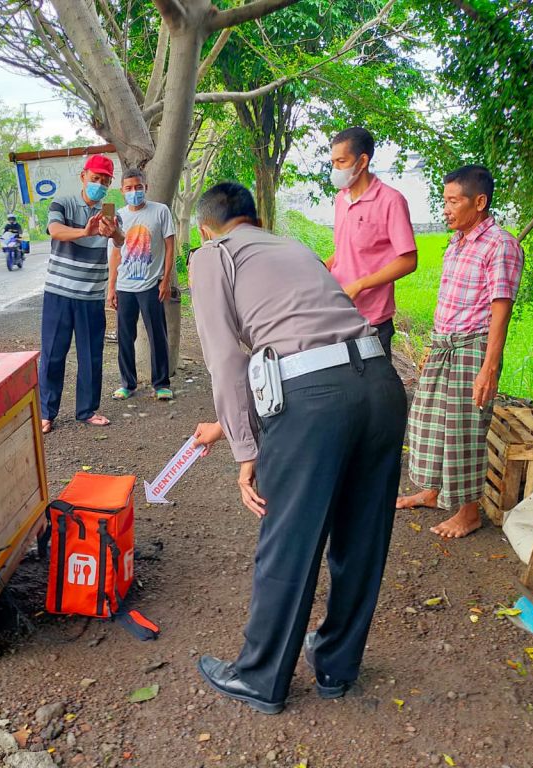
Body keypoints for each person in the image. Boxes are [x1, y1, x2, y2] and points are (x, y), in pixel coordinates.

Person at [189, 182, 406, 715]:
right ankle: (335, 666)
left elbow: (225, 360)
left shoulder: (213, 255)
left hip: (315, 401)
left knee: (289, 538)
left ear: (204, 227)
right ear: (256, 218)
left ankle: (260, 678)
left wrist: (245, 451)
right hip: (380, 382)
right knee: (362, 536)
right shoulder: (294, 248)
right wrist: (230, 427)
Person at [396, 165, 524, 538]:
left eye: (454, 201)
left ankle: (469, 512)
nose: (446, 208)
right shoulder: (458, 241)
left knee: (465, 429)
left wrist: (490, 366)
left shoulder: (500, 244)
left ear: (479, 202)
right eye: (445, 200)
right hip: (444, 344)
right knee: (428, 421)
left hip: (473, 348)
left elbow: (501, 308)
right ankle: (434, 491)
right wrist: (432, 344)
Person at [39, 153, 125, 434]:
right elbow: (54, 231)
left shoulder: (111, 212)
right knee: (53, 353)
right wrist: (84, 231)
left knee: (91, 355)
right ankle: (46, 412)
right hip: (59, 293)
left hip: (90, 295)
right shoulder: (62, 202)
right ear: (83, 177)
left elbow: (121, 240)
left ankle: (86, 410)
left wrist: (113, 234)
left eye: (104, 180)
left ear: (109, 183)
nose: (98, 184)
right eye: (95, 178)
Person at [326, 127, 417, 360]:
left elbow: (408, 260)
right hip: (339, 311)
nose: (336, 168)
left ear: (362, 160)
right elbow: (345, 251)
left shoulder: (391, 201)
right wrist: (321, 267)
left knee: (376, 389)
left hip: (372, 318)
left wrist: (360, 285)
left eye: (342, 161)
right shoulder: (340, 199)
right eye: (333, 162)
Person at [107, 168, 176, 402]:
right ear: (122, 190)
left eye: (138, 187)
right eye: (129, 188)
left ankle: (161, 383)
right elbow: (115, 254)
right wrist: (111, 287)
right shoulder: (118, 216)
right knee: (125, 336)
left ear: (145, 187)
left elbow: (169, 247)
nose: (134, 192)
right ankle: (127, 383)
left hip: (150, 286)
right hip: (125, 287)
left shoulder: (160, 211)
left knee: (157, 335)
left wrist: (165, 280)